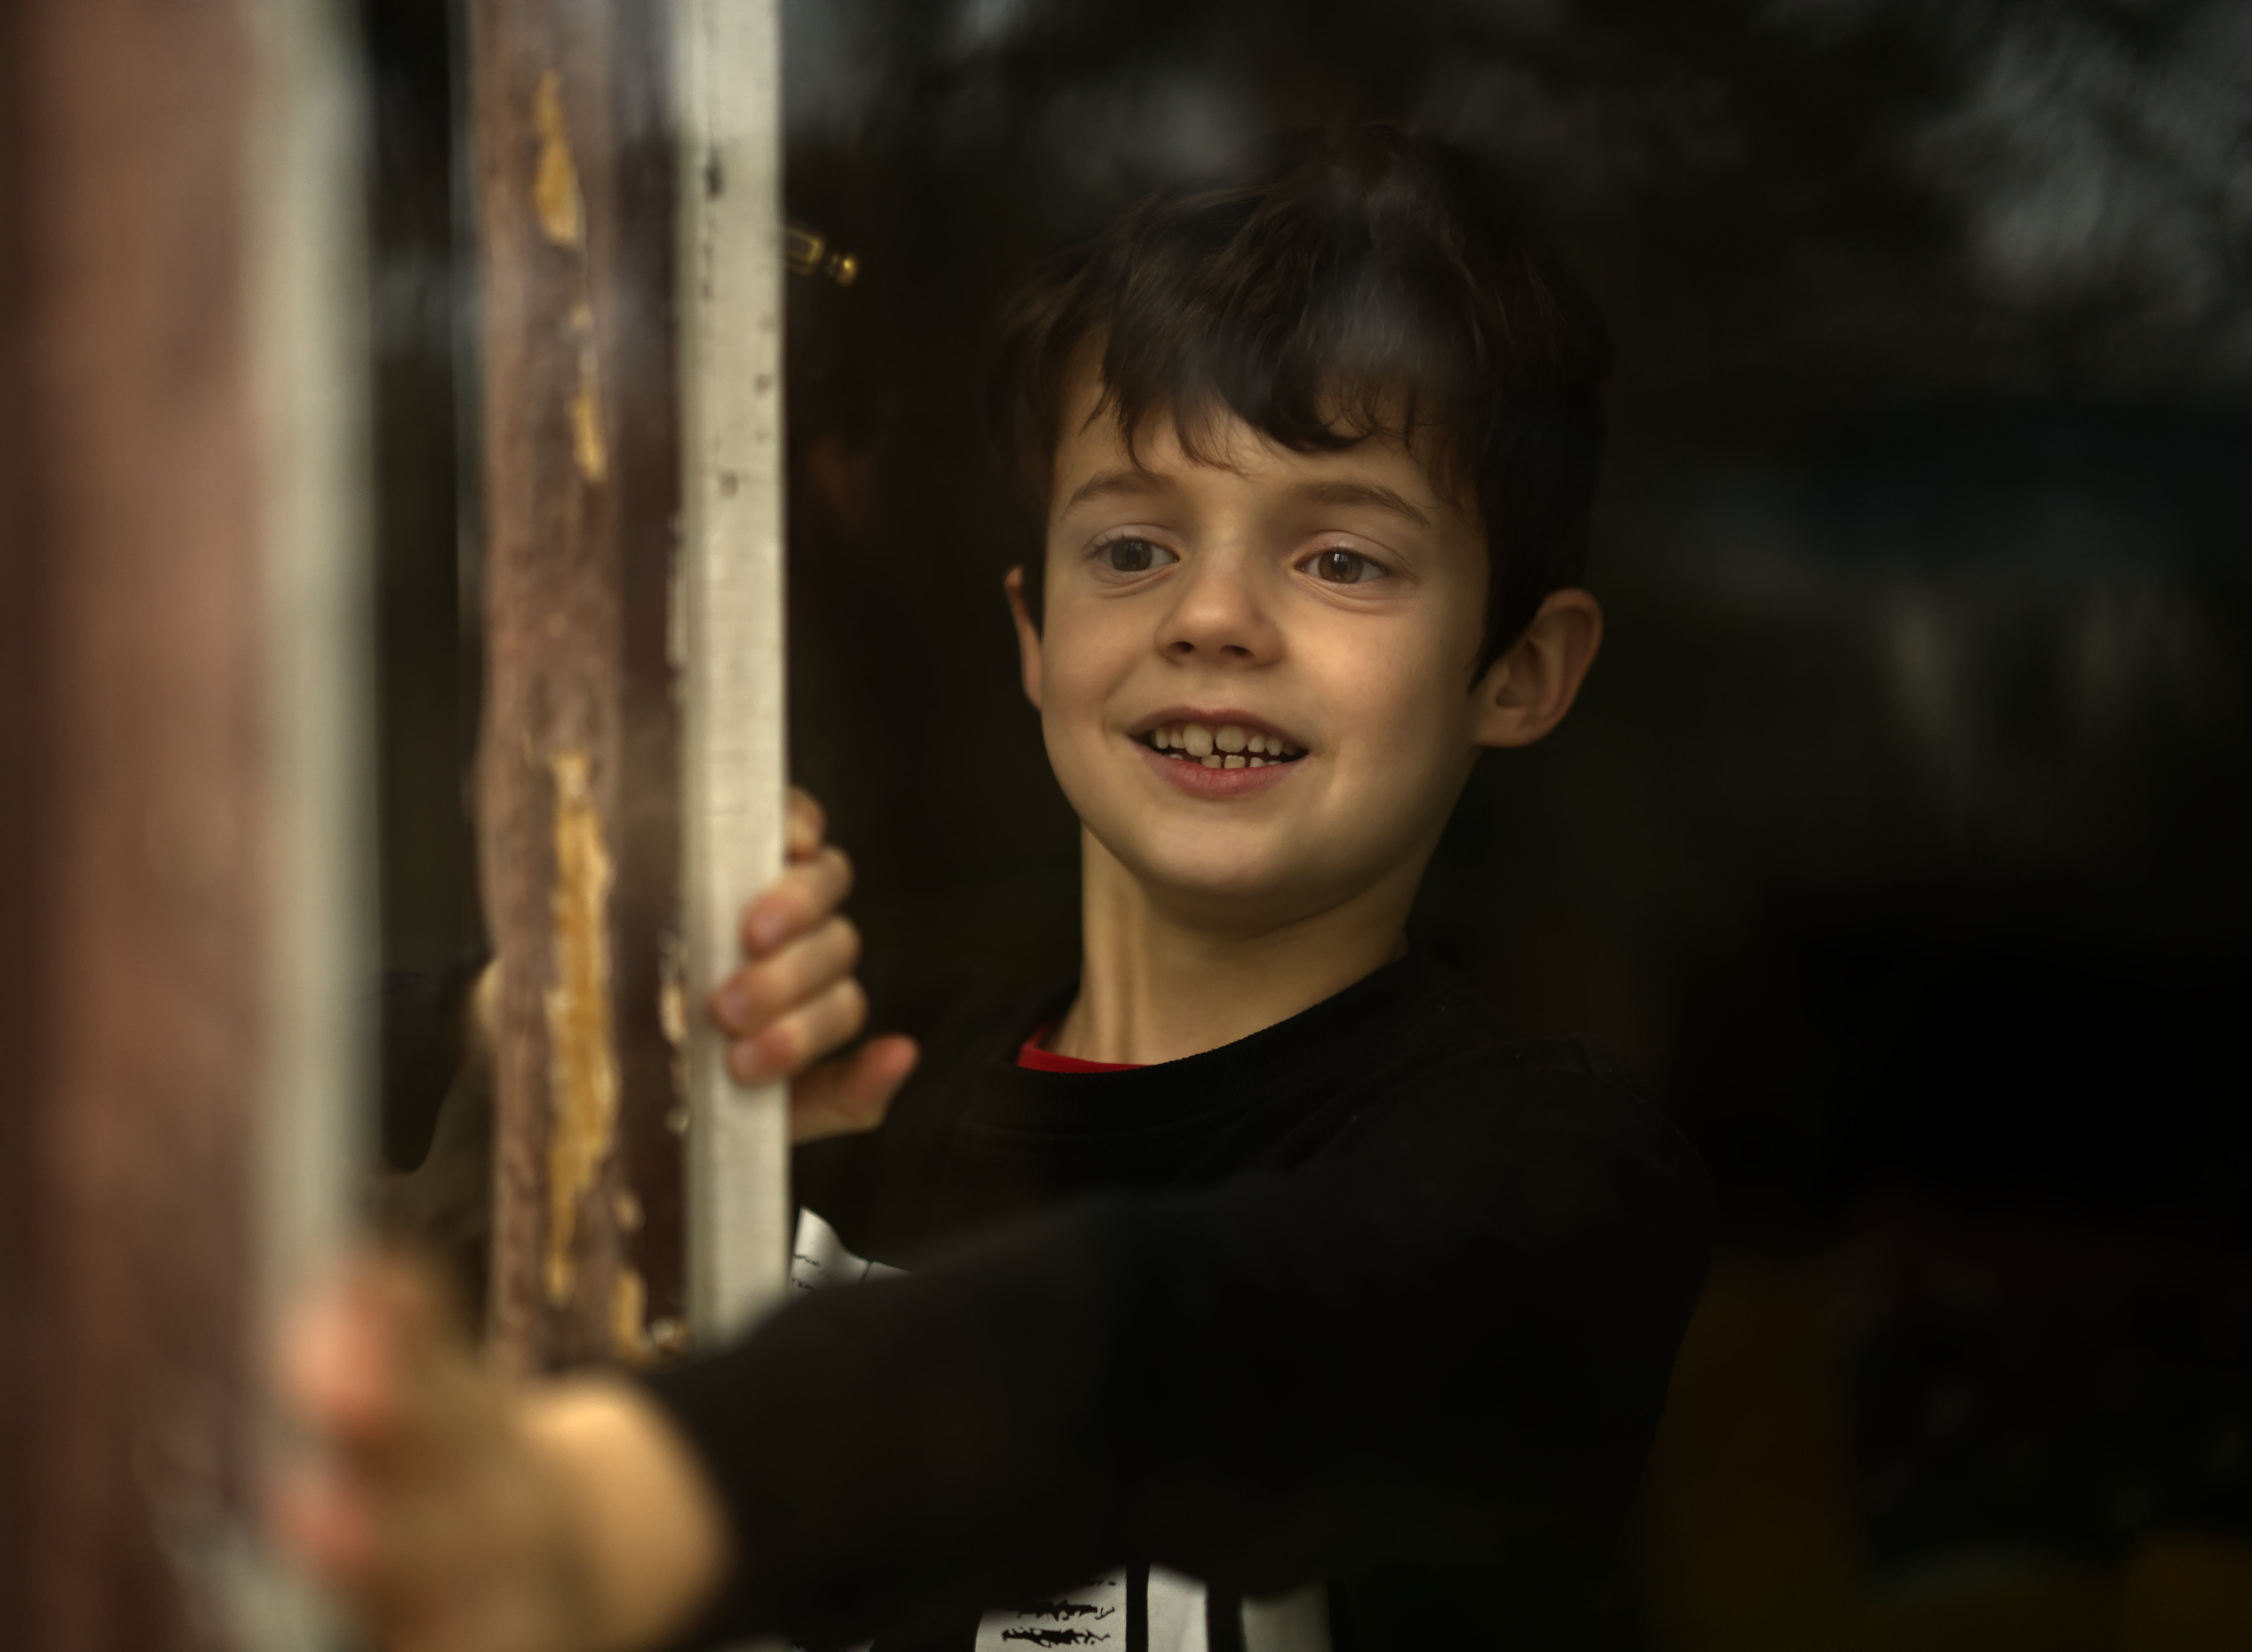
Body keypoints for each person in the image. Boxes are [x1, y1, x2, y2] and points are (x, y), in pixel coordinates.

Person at [279, 125, 1713, 1652]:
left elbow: (1211, 1335)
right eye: (1135, 545)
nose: (1213, 616)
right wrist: (541, 1027)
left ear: (1521, 670)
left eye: (1344, 560)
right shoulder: (839, 1056)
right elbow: (257, 1111)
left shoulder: (1552, 1175)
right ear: (1035, 635)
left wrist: (637, 1504)